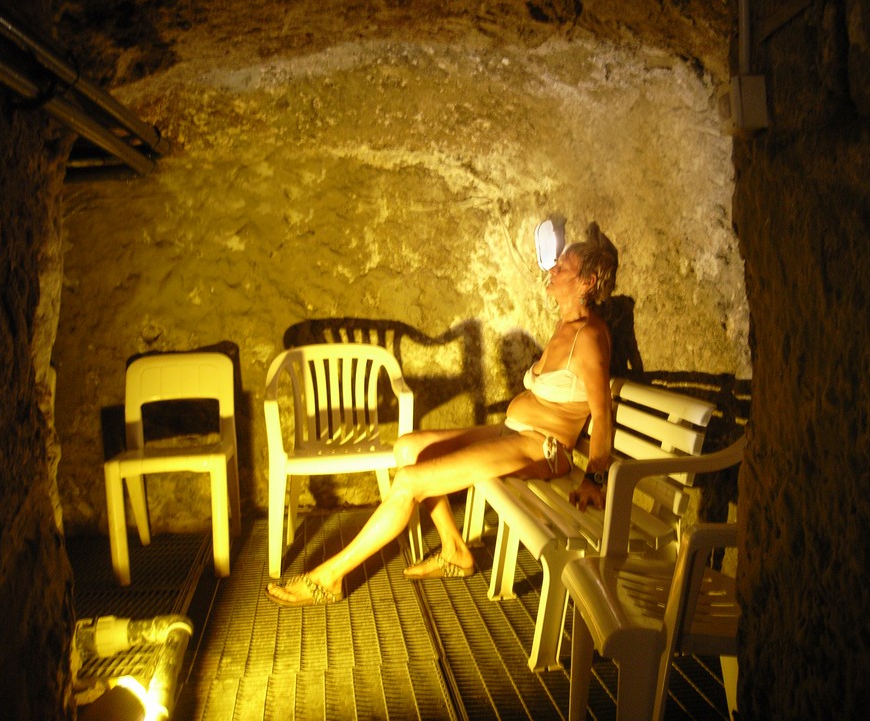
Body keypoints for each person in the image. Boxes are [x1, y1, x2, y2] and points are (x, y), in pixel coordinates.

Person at [265, 223, 619, 606]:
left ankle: (330, 577)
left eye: (563, 267)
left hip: (542, 448)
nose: (552, 269)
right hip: (513, 431)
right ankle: (455, 550)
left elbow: (602, 413)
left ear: (587, 282)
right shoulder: (566, 326)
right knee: (408, 448)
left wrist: (595, 479)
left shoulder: (589, 337)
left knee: (409, 481)